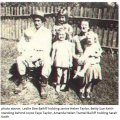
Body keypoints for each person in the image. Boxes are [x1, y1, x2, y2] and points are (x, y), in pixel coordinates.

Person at [17, 10, 52, 99]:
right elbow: (21, 44)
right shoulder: (28, 31)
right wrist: (26, 54)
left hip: (41, 54)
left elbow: (47, 48)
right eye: (35, 20)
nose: (36, 23)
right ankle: (23, 81)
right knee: (20, 59)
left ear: (42, 21)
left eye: (39, 21)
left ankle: (43, 85)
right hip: (29, 53)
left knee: (47, 61)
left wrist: (39, 58)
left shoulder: (47, 32)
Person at [73, 20, 103, 98]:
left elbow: (99, 49)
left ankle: (88, 88)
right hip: (80, 59)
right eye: (82, 25)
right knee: (89, 68)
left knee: (94, 67)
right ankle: (82, 89)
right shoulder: (75, 38)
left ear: (89, 26)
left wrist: (97, 54)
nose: (83, 27)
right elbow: (72, 52)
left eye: (86, 25)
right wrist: (77, 57)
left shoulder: (93, 36)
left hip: (91, 59)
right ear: (79, 26)